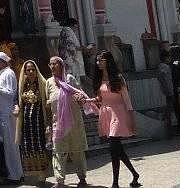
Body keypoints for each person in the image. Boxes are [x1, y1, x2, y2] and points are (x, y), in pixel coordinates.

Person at [92, 51, 141, 188]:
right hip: (106, 113)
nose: (98, 63)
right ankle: (134, 174)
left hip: (118, 114)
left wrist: (132, 120)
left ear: (108, 61)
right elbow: (99, 99)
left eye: (101, 60)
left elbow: (127, 100)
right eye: (97, 61)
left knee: (113, 146)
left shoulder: (118, 78)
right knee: (117, 149)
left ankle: (115, 183)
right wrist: (86, 100)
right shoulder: (99, 78)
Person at [46, 56, 88, 188]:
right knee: (58, 151)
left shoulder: (70, 79)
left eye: (55, 64)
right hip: (57, 123)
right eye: (50, 64)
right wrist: (48, 124)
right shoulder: (49, 82)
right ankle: (59, 181)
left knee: (77, 151)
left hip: (74, 122)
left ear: (61, 65)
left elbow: (81, 96)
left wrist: (79, 97)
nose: (52, 67)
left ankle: (82, 178)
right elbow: (48, 103)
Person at [14, 60, 51, 184]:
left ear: (36, 71)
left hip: (39, 123)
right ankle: (35, 174)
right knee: (29, 148)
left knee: (40, 147)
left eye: (32, 69)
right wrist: (17, 107)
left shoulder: (43, 84)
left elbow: (48, 102)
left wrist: (48, 123)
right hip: (26, 124)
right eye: (28, 70)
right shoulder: (21, 86)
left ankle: (42, 176)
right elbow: (17, 100)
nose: (30, 72)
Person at [0, 51, 22, 184]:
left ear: (0, 61)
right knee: (9, 147)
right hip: (3, 114)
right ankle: (16, 173)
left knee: (10, 147)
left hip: (7, 114)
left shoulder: (8, 74)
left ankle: (14, 176)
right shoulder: (3, 74)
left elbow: (10, 93)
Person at [57, 17, 87, 87]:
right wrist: (83, 48)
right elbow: (71, 47)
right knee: (73, 81)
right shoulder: (68, 31)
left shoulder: (63, 32)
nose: (76, 29)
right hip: (71, 62)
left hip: (66, 61)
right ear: (72, 25)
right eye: (75, 27)